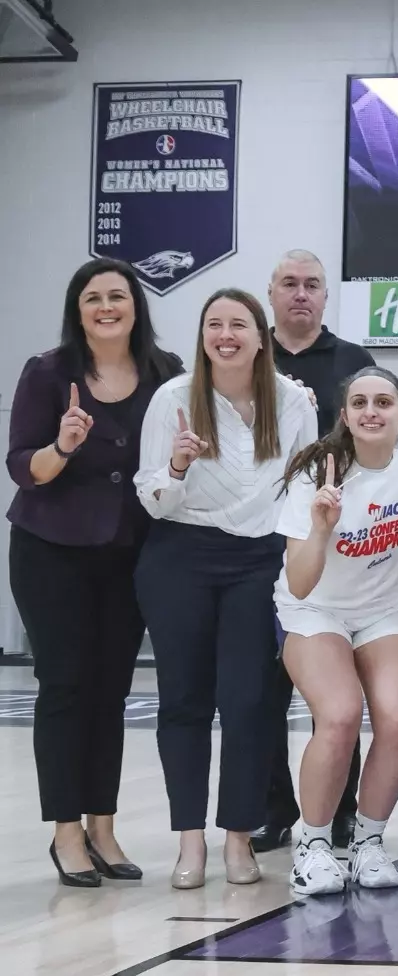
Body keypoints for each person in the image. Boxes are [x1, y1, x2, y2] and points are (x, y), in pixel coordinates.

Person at [135, 288, 317, 889]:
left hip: (258, 563)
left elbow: (301, 485)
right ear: (203, 336)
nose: (226, 334)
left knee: (249, 704)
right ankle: (191, 842)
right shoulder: (173, 399)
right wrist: (181, 465)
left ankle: (240, 838)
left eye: (238, 324)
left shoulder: (292, 401)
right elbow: (153, 499)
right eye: (215, 324)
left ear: (261, 338)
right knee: (183, 702)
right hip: (181, 556)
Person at [8, 258, 178, 886]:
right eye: (93, 298)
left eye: (118, 296)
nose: (107, 307)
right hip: (51, 550)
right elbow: (23, 466)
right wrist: (64, 447)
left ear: (136, 306)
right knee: (64, 688)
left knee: (112, 694)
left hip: (130, 554)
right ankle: (66, 834)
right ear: (77, 311)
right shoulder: (48, 373)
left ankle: (103, 826)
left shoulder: (167, 375)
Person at [273, 370, 398, 894]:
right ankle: (313, 846)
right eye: (359, 402)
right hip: (316, 608)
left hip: (386, 607)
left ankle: (367, 842)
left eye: (384, 402)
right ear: (344, 416)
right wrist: (320, 527)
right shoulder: (316, 473)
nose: (371, 411)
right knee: (339, 716)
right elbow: (298, 583)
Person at [259, 248, 378, 854]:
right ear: (272, 293)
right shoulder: (251, 356)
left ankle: (343, 811)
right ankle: (273, 809)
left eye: (312, 285)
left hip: (331, 549)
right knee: (261, 691)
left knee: (339, 697)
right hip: (253, 539)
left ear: (325, 297)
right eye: (289, 284)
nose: (300, 294)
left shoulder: (353, 362)